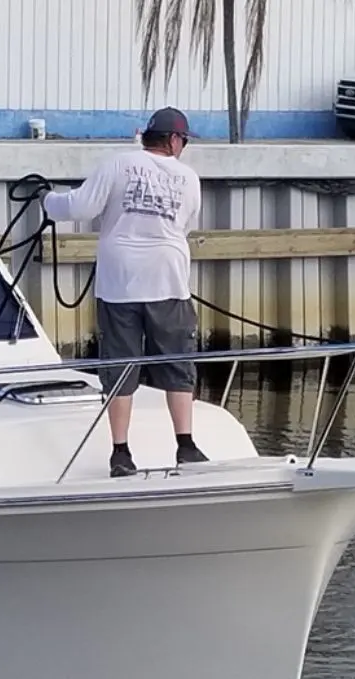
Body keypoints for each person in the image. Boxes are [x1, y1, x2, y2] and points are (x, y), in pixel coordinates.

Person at [39, 107, 210, 477]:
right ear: (174, 139)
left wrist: (47, 199)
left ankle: (121, 452)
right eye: (183, 140)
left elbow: (80, 206)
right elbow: (186, 225)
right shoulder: (189, 178)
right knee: (177, 361)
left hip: (120, 282)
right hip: (168, 279)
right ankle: (186, 446)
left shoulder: (119, 164)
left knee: (121, 364)